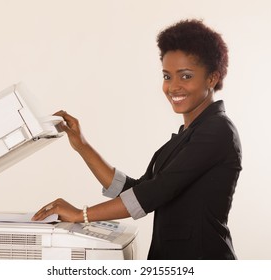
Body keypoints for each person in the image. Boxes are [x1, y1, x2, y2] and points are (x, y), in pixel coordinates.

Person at [32, 19, 242, 260]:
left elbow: (152, 194)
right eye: (167, 76)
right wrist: (82, 145)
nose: (173, 87)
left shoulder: (217, 131)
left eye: (185, 76)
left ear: (212, 78)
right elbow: (137, 190)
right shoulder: (188, 136)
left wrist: (81, 214)